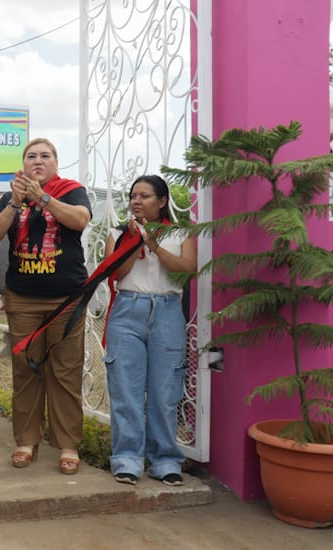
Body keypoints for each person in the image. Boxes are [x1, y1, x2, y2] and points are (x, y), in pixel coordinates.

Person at [0, 137, 91, 473]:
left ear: (56, 163)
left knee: (65, 371)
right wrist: (16, 203)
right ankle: (26, 440)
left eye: (45, 156)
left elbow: (79, 220)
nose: (38, 161)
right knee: (27, 371)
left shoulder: (71, 189)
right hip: (24, 299)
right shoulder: (11, 195)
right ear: (23, 163)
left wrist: (43, 198)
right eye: (31, 156)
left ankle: (67, 445)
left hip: (66, 299)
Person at [103, 175, 195, 487]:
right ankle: (127, 459)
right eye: (133, 195)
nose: (137, 201)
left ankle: (165, 460)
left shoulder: (180, 233)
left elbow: (186, 268)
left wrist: (153, 244)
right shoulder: (119, 234)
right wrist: (133, 242)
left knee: (164, 392)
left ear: (162, 200)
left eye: (145, 195)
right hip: (129, 310)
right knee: (126, 390)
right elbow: (114, 274)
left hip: (167, 312)